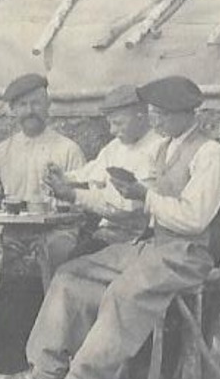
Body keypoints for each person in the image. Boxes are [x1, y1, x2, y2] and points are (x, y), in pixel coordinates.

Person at [0, 75, 220, 379]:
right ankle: (43, 374)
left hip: (187, 253)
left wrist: (145, 198)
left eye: (160, 114)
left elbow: (194, 219)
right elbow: (115, 184)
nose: (154, 121)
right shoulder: (165, 147)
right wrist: (81, 184)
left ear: (183, 113)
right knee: (71, 275)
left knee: (124, 292)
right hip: (152, 245)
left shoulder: (210, 154)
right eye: (153, 113)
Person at [0, 72, 87, 378]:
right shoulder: (4, 150)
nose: (30, 111)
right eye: (23, 105)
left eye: (36, 103)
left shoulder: (67, 149)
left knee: (60, 251)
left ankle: (55, 353)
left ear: (48, 105)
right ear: (13, 111)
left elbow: (82, 200)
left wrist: (62, 196)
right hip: (13, 234)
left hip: (55, 231)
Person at [43, 84, 166, 255]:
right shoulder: (115, 147)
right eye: (110, 123)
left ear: (141, 117)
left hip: (137, 240)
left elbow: (128, 210)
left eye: (118, 123)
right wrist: (63, 178)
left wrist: (72, 195)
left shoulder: (158, 149)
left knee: (72, 267)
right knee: (66, 259)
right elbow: (90, 173)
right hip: (106, 235)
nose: (112, 130)